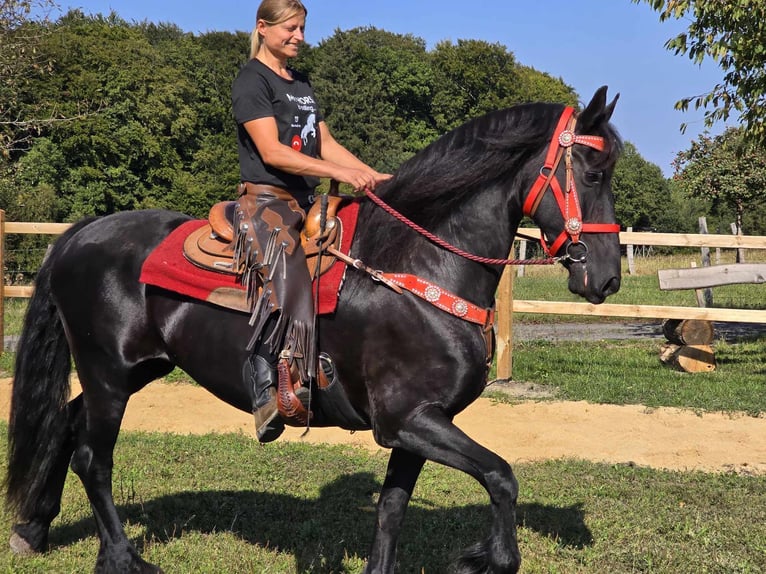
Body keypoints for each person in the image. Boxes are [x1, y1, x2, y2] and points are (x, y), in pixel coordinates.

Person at [231, 0, 391, 442]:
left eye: (302, 28)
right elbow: (273, 152)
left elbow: (322, 142)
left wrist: (373, 177)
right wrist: (340, 175)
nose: (300, 36)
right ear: (263, 28)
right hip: (267, 200)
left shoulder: (300, 82)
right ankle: (266, 377)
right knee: (291, 277)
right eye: (291, 28)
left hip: (306, 200)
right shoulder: (252, 80)